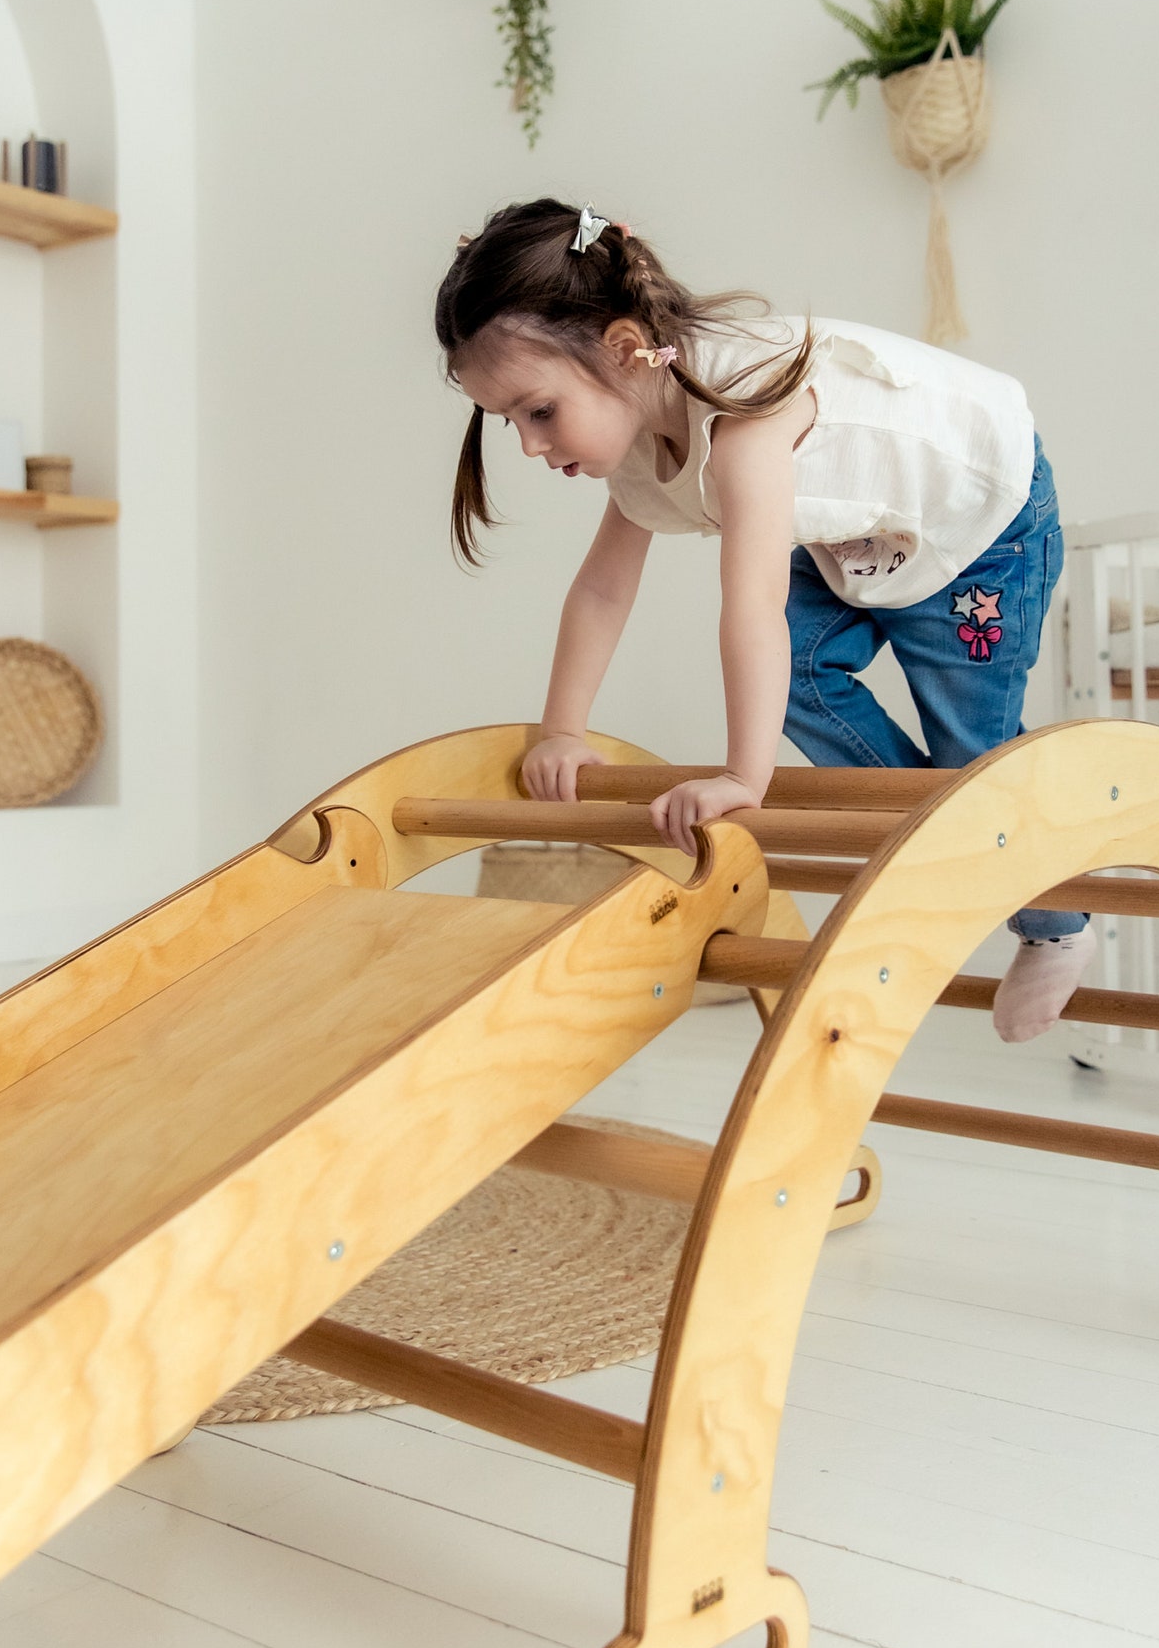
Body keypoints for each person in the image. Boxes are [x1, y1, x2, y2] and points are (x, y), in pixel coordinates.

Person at [434, 195, 1094, 1042]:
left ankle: (1056, 926)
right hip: (861, 536)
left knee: (971, 748)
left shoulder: (741, 416)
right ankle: (934, 835)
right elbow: (601, 590)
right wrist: (562, 729)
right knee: (805, 679)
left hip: (981, 522)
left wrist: (744, 780)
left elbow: (752, 608)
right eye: (509, 422)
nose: (529, 445)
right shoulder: (638, 436)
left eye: (539, 411)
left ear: (625, 350)